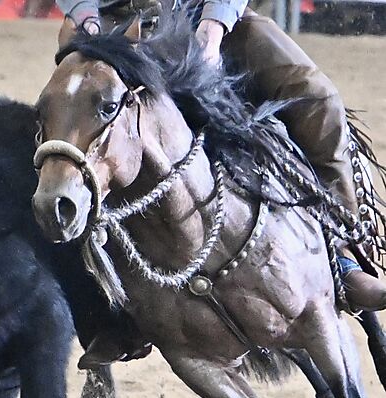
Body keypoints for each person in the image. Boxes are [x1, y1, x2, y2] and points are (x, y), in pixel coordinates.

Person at [53, 0, 386, 366]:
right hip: (113, 25)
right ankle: (113, 311)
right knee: (76, 145)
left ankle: (343, 254)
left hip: (205, 14)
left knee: (317, 99)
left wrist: (213, 27)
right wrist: (85, 16)